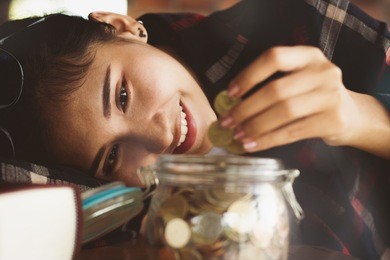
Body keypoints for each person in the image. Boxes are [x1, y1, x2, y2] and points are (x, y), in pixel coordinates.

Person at [0, 0, 389, 258]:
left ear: (121, 25)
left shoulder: (298, 23)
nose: (155, 140)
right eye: (113, 155)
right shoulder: (123, 210)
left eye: (121, 95)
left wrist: (360, 116)